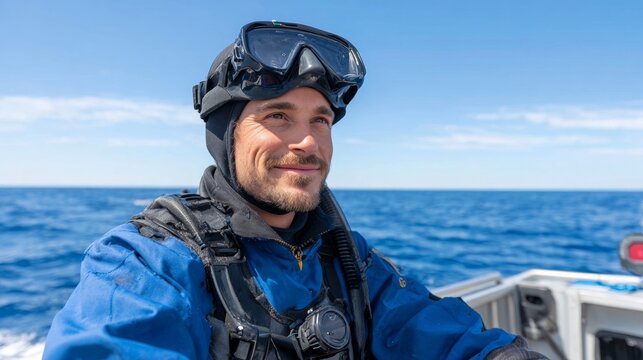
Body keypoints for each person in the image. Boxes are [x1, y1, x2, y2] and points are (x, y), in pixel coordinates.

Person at [44, 21, 547, 359]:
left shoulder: (346, 257)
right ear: (227, 135)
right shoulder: (146, 262)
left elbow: (441, 334)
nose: (307, 142)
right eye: (277, 117)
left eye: (321, 120)